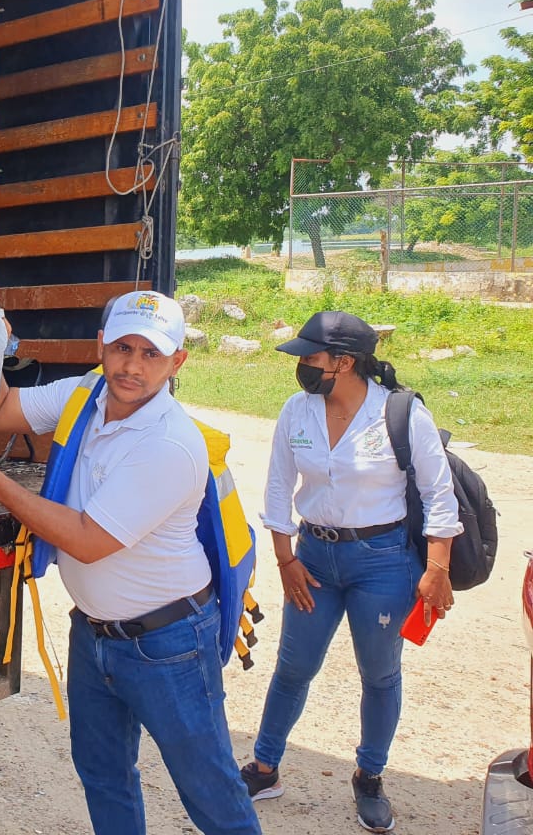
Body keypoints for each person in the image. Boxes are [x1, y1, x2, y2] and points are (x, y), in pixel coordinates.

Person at [0, 290, 261, 835]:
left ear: (177, 362)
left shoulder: (169, 443)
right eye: (122, 348)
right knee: (103, 775)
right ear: (101, 345)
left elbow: (89, 541)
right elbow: (0, 413)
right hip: (93, 635)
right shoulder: (82, 396)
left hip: (168, 643)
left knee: (209, 789)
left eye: (150, 354)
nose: (132, 366)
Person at [239, 311, 460, 834]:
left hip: (382, 561)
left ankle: (370, 776)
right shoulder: (297, 412)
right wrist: (285, 559)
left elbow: (438, 494)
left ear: (344, 362)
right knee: (293, 668)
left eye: (310, 357)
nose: (301, 366)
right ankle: (265, 767)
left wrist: (437, 569)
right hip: (313, 558)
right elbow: (277, 488)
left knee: (379, 674)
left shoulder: (400, 415)